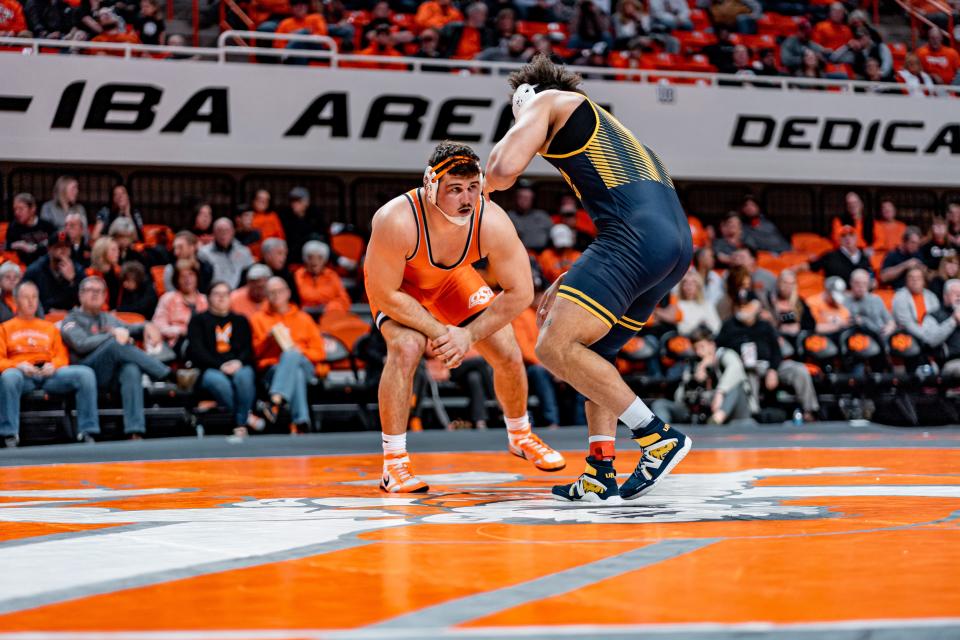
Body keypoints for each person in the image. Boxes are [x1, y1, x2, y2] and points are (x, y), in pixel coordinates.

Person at [486, 55, 693, 502]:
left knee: (552, 347)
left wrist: (477, 186)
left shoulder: (548, 102)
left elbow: (502, 172)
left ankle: (656, 436)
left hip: (634, 239)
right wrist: (580, 272)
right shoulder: (607, 126)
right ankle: (600, 470)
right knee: (593, 353)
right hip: (673, 246)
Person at [365, 141, 565, 493]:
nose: (467, 199)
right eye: (455, 189)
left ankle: (520, 434)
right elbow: (384, 294)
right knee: (408, 347)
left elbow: (520, 292)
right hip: (401, 288)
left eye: (473, 188)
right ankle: (393, 465)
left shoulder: (491, 220)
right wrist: (441, 332)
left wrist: (468, 336)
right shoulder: (395, 219)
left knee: (506, 350)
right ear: (431, 187)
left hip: (450, 280)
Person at [61, 276, 172, 439]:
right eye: (90, 290)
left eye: (99, 291)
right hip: (87, 373)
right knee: (115, 344)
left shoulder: (107, 318)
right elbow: (81, 343)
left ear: (105, 296)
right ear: (80, 295)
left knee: (131, 369)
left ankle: (135, 430)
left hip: (109, 376)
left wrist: (147, 325)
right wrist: (111, 335)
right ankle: (166, 373)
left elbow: (130, 329)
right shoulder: (71, 320)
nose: (95, 295)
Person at [0, 281, 100, 448]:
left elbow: (62, 357)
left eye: (34, 297)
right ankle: (9, 434)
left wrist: (53, 365)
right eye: (26, 297)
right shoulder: (4, 328)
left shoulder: (49, 328)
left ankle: (88, 431)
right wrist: (18, 366)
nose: (31, 302)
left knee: (85, 374)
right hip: (23, 374)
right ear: (16, 301)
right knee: (9, 377)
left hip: (49, 374)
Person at [717, 287, 819, 421]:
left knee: (799, 370)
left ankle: (809, 411)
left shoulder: (765, 326)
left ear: (756, 306)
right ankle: (754, 414)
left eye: (747, 304)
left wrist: (773, 370)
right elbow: (720, 349)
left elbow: (777, 351)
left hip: (769, 365)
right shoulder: (729, 326)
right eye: (740, 304)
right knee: (750, 374)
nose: (743, 308)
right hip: (745, 368)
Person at [251, 277, 326, 434]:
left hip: (306, 367)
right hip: (272, 370)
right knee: (295, 373)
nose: (276, 295)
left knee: (292, 354)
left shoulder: (304, 319)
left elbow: (319, 353)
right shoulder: (257, 319)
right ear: (266, 295)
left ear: (288, 293)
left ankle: (274, 401)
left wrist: (299, 351)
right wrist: (268, 341)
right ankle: (300, 423)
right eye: (271, 292)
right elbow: (253, 354)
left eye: (279, 291)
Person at [187, 281, 262, 437]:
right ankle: (244, 419)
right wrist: (220, 365)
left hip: (238, 365)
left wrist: (238, 363)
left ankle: (240, 423)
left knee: (245, 376)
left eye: (225, 294)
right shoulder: (198, 320)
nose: (222, 298)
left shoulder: (240, 320)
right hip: (210, 368)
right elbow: (197, 351)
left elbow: (248, 350)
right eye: (217, 294)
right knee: (218, 382)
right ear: (208, 298)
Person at [652, 327, 752, 425]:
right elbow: (679, 398)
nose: (699, 352)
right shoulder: (693, 363)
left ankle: (717, 419)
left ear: (712, 345)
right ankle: (663, 435)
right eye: (695, 348)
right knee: (660, 404)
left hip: (730, 411)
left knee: (736, 385)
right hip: (700, 412)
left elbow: (735, 368)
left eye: (702, 347)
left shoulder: (724, 355)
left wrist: (720, 392)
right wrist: (693, 380)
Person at [153, 259, 208, 348]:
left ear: (197, 276)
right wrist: (181, 331)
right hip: (179, 342)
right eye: (182, 276)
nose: (187, 279)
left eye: (191, 274)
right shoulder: (168, 298)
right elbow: (158, 326)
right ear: (176, 280)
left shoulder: (206, 300)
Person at [24, 231, 83, 313]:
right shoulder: (34, 270)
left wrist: (72, 280)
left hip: (70, 316)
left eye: (66, 247)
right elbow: (26, 297)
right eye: (58, 247)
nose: (63, 251)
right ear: (49, 249)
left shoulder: (78, 270)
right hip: (43, 316)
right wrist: (48, 310)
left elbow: (83, 301)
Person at [892, 266, 949, 345]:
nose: (915, 281)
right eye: (911, 278)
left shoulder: (931, 296)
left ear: (924, 281)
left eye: (918, 278)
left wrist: (935, 335)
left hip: (930, 333)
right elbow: (907, 324)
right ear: (906, 281)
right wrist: (928, 337)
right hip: (909, 334)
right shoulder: (900, 297)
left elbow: (937, 318)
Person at [295, 240, 350, 315]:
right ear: (305, 259)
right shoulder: (298, 275)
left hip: (329, 315)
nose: (314, 261)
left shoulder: (332, 276)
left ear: (325, 260)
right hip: (303, 316)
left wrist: (332, 308)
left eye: (319, 257)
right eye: (310, 257)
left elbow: (344, 300)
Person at [808, 224, 873, 285]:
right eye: (843, 235)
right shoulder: (830, 256)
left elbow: (871, 276)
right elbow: (810, 266)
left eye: (851, 234)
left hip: (861, 293)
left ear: (856, 238)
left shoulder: (864, 256)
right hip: (838, 293)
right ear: (839, 240)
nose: (847, 238)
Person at [199, 218, 254, 288]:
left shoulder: (244, 251)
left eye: (227, 230)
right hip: (215, 293)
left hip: (239, 293)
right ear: (214, 233)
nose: (223, 234)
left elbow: (251, 274)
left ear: (233, 232)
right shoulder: (204, 253)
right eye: (220, 230)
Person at [766, 269, 816, 343]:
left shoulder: (799, 301)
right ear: (778, 283)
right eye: (785, 283)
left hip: (797, 337)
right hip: (778, 337)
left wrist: (799, 326)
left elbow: (811, 323)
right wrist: (779, 327)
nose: (788, 287)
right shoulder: (769, 300)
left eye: (792, 283)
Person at [6, 193, 56, 266]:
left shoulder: (47, 226)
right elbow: (6, 246)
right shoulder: (14, 227)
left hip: (48, 264)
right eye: (15, 209)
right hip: (25, 266)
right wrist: (19, 245)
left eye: (21, 209)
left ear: (32, 209)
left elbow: (56, 243)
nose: (17, 212)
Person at [280, 187, 327, 262]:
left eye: (298, 201)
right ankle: (339, 260)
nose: (294, 204)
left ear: (306, 202)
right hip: (294, 252)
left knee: (316, 238)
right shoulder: (285, 216)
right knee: (313, 236)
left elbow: (325, 236)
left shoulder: (315, 215)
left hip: (315, 250)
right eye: (292, 201)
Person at [844, 268, 895, 337]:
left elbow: (890, 320)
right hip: (857, 338)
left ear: (868, 284)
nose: (861, 286)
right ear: (851, 283)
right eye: (857, 283)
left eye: (864, 283)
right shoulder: (844, 301)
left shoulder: (876, 299)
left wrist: (889, 327)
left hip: (881, 335)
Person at [506, 181, 554, 252]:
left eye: (527, 198)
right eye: (521, 197)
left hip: (541, 257)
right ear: (516, 198)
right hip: (516, 254)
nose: (524, 201)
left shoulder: (543, 217)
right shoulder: (508, 217)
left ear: (533, 199)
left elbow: (552, 240)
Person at [677, 269, 721, 336]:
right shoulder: (678, 305)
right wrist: (697, 327)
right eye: (685, 283)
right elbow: (681, 328)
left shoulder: (707, 305)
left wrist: (705, 326)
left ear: (698, 286)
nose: (689, 286)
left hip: (707, 338)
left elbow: (716, 326)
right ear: (681, 286)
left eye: (693, 283)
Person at [86, 236, 122, 309]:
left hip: (119, 314)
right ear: (102, 252)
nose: (118, 252)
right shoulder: (90, 274)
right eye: (113, 250)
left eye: (118, 249)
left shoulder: (119, 272)